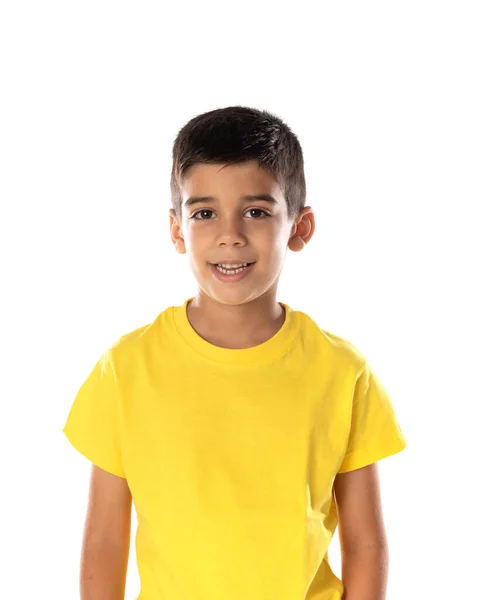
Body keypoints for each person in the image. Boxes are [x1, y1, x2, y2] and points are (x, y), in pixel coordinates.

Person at [62, 105, 407, 600]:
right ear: (178, 230)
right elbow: (103, 541)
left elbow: (366, 543)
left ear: (300, 227)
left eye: (257, 211)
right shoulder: (126, 369)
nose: (230, 234)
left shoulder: (343, 371)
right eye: (204, 213)